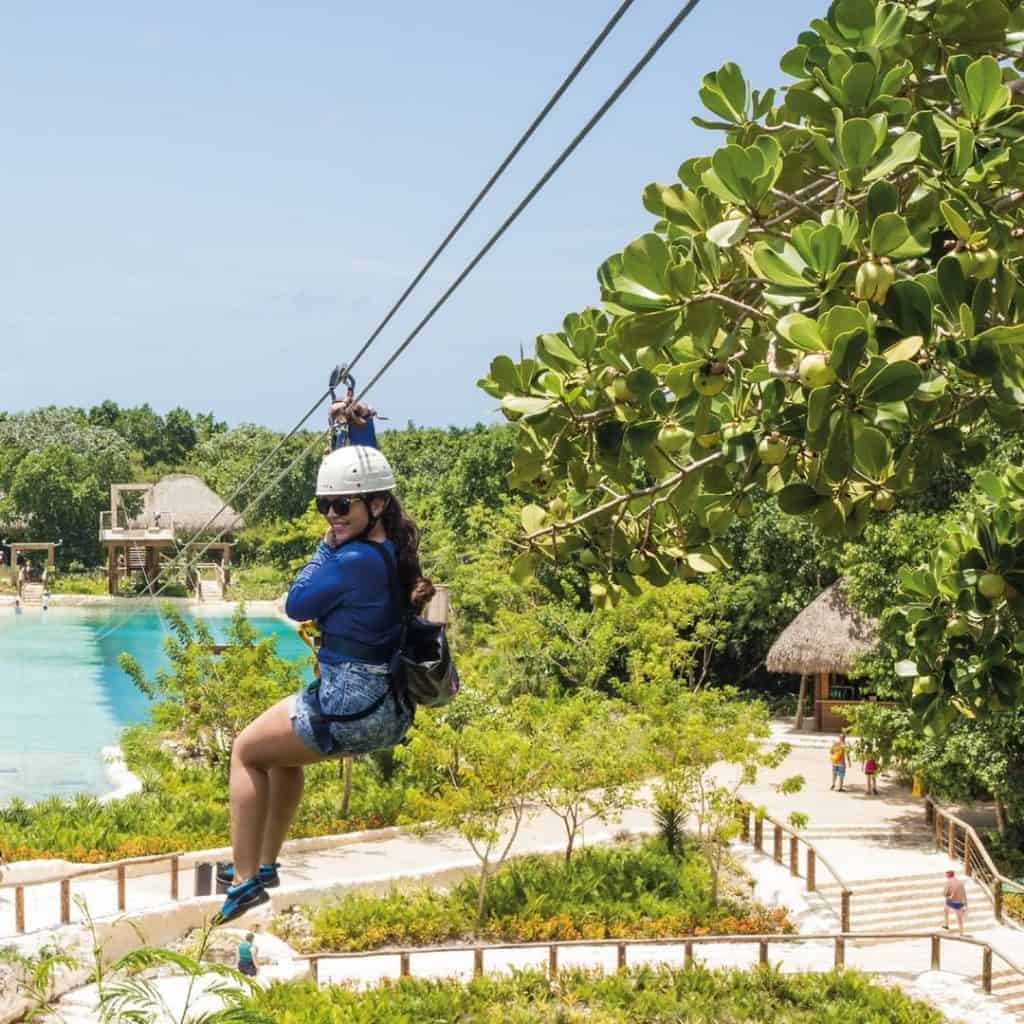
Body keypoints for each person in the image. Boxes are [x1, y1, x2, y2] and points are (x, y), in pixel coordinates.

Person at [215, 403, 434, 923]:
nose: (334, 516)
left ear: (376, 506)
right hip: (385, 704)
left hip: (349, 704)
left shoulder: (353, 559)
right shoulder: (387, 543)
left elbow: (296, 603)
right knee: (281, 757)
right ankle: (265, 866)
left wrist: (323, 544)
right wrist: (358, 431)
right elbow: (363, 476)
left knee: (246, 751)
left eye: (343, 509)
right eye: (326, 507)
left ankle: (244, 880)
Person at [944, 869, 968, 934]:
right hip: (960, 902)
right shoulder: (960, 882)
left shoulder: (948, 882)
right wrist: (966, 904)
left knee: (946, 908)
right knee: (959, 918)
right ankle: (961, 932)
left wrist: (948, 896)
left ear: (948, 875)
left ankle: (946, 924)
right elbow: (964, 893)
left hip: (952, 902)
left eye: (946, 875)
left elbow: (945, 893)